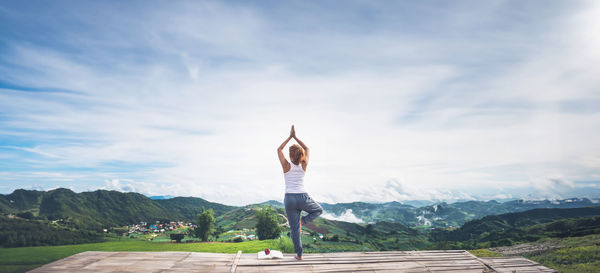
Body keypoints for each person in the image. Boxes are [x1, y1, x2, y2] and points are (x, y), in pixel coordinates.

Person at [277, 125, 323, 260]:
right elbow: (307, 148)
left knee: (295, 229)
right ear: (301, 155)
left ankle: (299, 255)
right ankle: (303, 221)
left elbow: (279, 149)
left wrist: (290, 136)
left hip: (289, 199)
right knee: (318, 210)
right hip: (303, 197)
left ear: (290, 156)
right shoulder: (304, 164)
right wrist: (296, 137)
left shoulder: (286, 165)